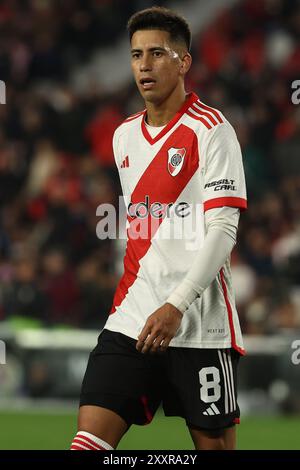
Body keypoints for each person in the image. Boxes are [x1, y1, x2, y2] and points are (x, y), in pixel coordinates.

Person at [71, 6, 247, 451]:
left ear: (184, 62)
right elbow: (140, 225)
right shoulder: (123, 136)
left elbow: (224, 230)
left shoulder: (212, 131)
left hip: (199, 324)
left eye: (156, 53)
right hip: (133, 316)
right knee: (88, 443)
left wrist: (176, 304)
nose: (144, 65)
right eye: (135, 55)